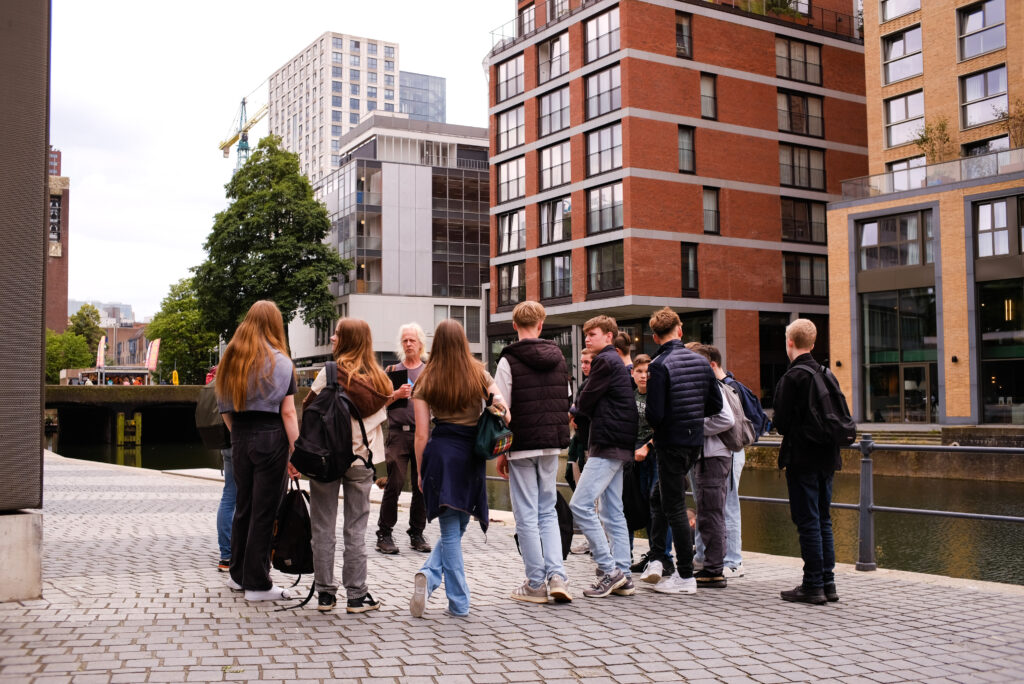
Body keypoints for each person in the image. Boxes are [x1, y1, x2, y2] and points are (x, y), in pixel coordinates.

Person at [408, 319, 507, 618]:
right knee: (454, 527)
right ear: (464, 342)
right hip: (471, 454)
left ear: (436, 343)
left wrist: (420, 470)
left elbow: (422, 434)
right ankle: (459, 602)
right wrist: (493, 406)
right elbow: (505, 411)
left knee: (456, 526)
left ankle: (429, 576)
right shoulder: (478, 372)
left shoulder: (425, 379)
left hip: (441, 453)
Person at [305, 318, 391, 613]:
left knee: (322, 527)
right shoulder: (380, 381)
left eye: (337, 334)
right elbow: (380, 419)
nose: (332, 337)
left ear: (347, 340)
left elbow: (308, 411)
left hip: (327, 459)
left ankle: (325, 595)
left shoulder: (330, 373)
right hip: (360, 460)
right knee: (355, 529)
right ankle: (357, 595)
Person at [216, 300, 299, 602]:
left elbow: (223, 407)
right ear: (275, 325)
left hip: (240, 434)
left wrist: (238, 433)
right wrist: (296, 450)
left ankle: (237, 576)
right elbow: (288, 413)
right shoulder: (282, 363)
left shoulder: (231, 359)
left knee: (244, 507)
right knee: (265, 512)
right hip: (271, 436)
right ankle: (258, 583)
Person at [494, 301, 572, 604]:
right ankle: (557, 576)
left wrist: (502, 450)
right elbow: (564, 400)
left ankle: (535, 582)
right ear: (541, 324)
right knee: (547, 509)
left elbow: (502, 409)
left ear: (515, 326)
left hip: (522, 443)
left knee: (526, 514)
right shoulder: (558, 358)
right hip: (551, 442)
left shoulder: (508, 360)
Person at [643, 307, 722, 595]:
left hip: (670, 442)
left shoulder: (658, 365)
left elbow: (654, 415)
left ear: (654, 336)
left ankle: (685, 575)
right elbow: (715, 406)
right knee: (659, 495)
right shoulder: (701, 362)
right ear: (679, 329)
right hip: (694, 441)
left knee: (674, 505)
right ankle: (657, 558)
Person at [568, 315, 638, 599]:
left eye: (593, 334)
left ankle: (610, 571)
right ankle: (624, 574)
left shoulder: (604, 362)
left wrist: (577, 409)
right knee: (612, 512)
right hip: (619, 442)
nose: (587, 338)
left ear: (609, 336)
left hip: (607, 442)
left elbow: (584, 401)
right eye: (586, 334)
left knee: (580, 504)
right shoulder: (615, 361)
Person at [773, 318, 840, 605]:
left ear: (790, 341)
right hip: (828, 457)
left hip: (802, 458)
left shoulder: (792, 377)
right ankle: (828, 582)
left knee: (807, 520)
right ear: (812, 344)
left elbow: (782, 423)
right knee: (823, 518)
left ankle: (812, 585)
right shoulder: (827, 373)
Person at [692, 345, 770, 579]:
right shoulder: (723, 386)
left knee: (727, 504)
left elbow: (728, 422)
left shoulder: (726, 388)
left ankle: (733, 560)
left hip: (728, 450)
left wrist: (697, 428)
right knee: (709, 504)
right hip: (720, 451)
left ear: (712, 365)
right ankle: (705, 555)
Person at [682, 343, 735, 589]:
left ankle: (714, 570)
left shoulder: (712, 386)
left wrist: (695, 429)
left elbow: (726, 419)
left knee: (712, 513)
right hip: (709, 456)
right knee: (708, 511)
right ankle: (712, 566)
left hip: (713, 456)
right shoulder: (707, 385)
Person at [376, 322, 431, 555]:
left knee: (422, 485)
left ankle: (416, 533)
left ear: (420, 344)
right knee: (395, 482)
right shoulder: (392, 372)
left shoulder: (430, 371)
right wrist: (396, 394)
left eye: (413, 340)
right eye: (405, 340)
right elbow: (379, 403)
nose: (409, 344)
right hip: (398, 433)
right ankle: (384, 533)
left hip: (424, 433)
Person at [207, 365, 235, 573]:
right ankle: (239, 554)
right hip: (242, 442)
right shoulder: (243, 376)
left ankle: (226, 556)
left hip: (226, 444)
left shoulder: (222, 378)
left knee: (229, 496)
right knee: (246, 499)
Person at [565, 347, 593, 492]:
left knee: (587, 488)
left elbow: (584, 407)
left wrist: (574, 411)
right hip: (580, 439)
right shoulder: (585, 383)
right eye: (582, 362)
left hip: (590, 443)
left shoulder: (594, 383)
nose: (583, 366)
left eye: (587, 362)